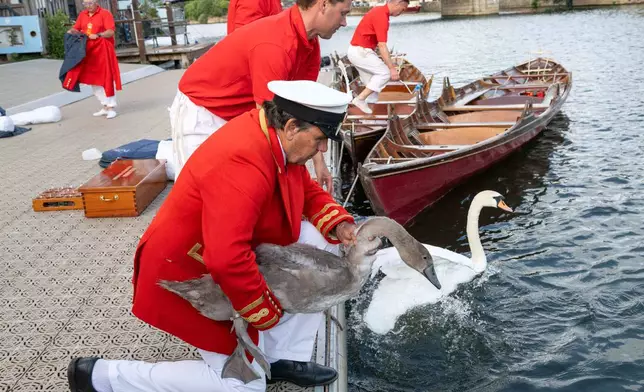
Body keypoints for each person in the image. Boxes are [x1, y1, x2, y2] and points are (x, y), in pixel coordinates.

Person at [67, 80, 358, 392]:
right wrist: (266, 312)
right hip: (186, 272)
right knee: (243, 386)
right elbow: (227, 259)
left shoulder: (272, 136)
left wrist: (341, 224)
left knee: (325, 239)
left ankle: (279, 357)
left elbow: (306, 189)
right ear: (290, 126)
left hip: (220, 255)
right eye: (321, 139)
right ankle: (102, 376)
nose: (324, 149)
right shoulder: (243, 161)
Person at [163, 0, 351, 193]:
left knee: (235, 187)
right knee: (198, 189)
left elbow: (304, 114)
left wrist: (319, 163)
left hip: (236, 111)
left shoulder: (310, 44)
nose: (344, 22)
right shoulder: (275, 43)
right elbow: (267, 121)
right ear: (324, 4)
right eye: (343, 13)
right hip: (202, 108)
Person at [346, 0, 409, 114]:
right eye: (403, 8)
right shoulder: (381, 16)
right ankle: (359, 99)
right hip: (360, 52)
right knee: (384, 73)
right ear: (397, 3)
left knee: (372, 89)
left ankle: (370, 119)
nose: (402, 12)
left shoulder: (379, 12)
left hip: (358, 51)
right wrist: (392, 68)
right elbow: (382, 45)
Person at [66, 0, 120, 119]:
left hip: (103, 49)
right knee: (92, 79)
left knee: (106, 77)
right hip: (88, 50)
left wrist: (99, 35)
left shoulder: (105, 14)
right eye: (85, 4)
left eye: (90, 3)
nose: (87, 6)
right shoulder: (82, 15)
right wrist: (71, 31)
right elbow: (77, 28)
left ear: (96, 2)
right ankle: (105, 105)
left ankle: (111, 107)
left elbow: (110, 31)